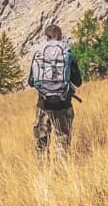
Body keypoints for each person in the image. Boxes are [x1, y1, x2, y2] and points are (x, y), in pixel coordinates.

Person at [28, 23, 82, 156]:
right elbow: (78, 82)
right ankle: (61, 174)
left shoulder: (39, 54)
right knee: (62, 140)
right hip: (64, 104)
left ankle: (42, 172)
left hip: (43, 104)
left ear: (46, 37)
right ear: (60, 37)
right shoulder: (68, 54)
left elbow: (31, 82)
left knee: (42, 142)